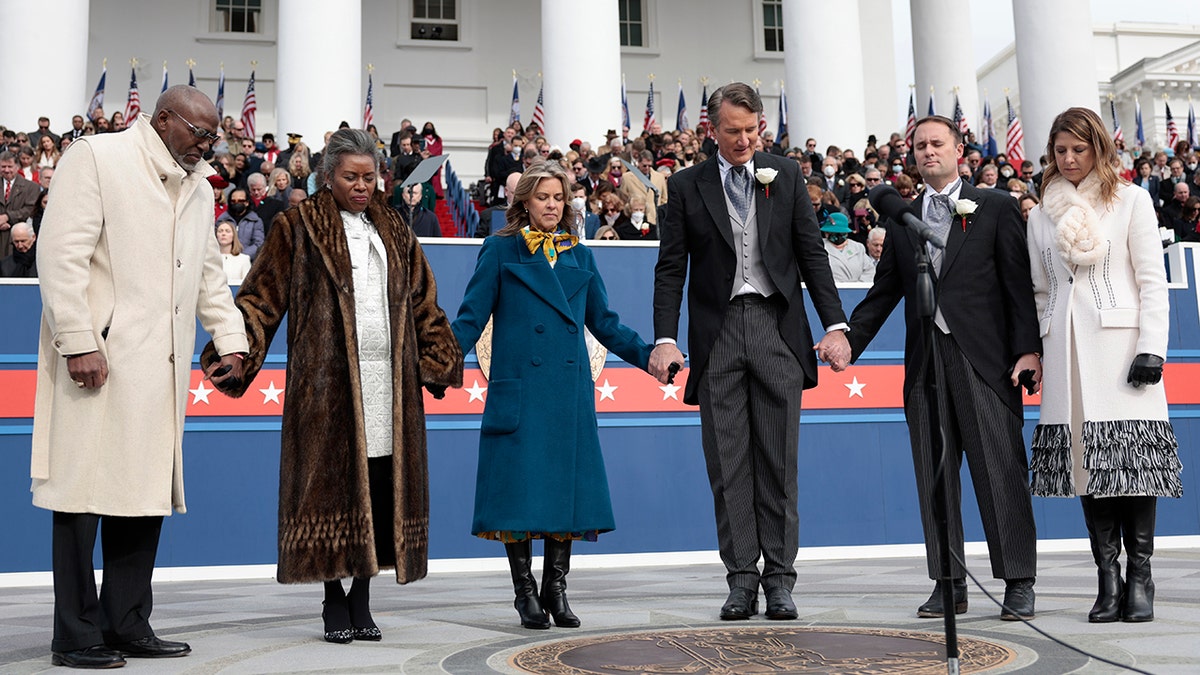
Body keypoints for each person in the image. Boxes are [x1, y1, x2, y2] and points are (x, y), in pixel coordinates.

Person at [203, 128, 462, 644]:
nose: (362, 186)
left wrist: (438, 359)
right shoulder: (295, 225)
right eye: (351, 177)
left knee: (380, 484)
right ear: (328, 176)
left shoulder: (394, 227)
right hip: (324, 386)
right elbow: (261, 298)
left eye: (370, 177)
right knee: (329, 491)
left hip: (387, 385)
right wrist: (234, 350)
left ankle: (362, 599)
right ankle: (331, 600)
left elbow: (423, 304)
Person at [31, 85, 248, 669]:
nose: (207, 146)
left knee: (142, 494)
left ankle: (127, 622)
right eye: (198, 133)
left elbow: (207, 274)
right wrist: (78, 339)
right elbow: (60, 255)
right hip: (97, 361)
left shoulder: (198, 186)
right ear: (161, 120)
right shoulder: (98, 157)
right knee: (80, 498)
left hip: (161, 367)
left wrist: (229, 338)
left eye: (213, 137)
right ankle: (74, 635)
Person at [650, 83, 850, 622]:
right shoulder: (687, 186)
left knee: (779, 464)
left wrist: (835, 325)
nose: (742, 140)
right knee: (728, 465)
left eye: (751, 130)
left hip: (777, 331)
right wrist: (665, 337)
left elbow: (811, 253)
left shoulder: (784, 176)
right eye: (732, 131)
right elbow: (671, 268)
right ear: (711, 130)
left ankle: (781, 581)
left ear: (762, 125)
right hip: (717, 337)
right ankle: (741, 580)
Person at [845, 115, 1041, 621]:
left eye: (938, 143)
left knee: (999, 472)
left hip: (985, 361)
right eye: (920, 145)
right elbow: (884, 292)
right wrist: (848, 340)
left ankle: (1018, 580)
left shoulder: (995, 208)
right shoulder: (903, 217)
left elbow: (1017, 287)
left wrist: (1027, 350)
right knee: (935, 476)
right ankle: (948, 581)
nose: (929, 151)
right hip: (925, 366)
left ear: (960, 150)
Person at [451, 161, 659, 630]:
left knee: (565, 493)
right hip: (521, 391)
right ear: (524, 200)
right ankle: (525, 591)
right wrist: (437, 361)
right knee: (518, 494)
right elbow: (470, 318)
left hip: (567, 392)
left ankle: (556, 587)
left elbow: (604, 323)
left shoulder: (580, 255)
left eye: (558, 198)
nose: (551, 205)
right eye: (542, 196)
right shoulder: (500, 249)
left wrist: (648, 356)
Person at [1026, 107, 1182, 624]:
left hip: (1122, 351)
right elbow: (1041, 289)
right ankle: (1107, 578)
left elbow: (1151, 280)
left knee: (1132, 467)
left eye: (1079, 149)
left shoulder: (1131, 200)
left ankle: (1141, 576)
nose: (1069, 159)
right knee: (1087, 470)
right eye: (1060, 150)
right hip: (1066, 352)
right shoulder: (1039, 213)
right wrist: (1040, 346)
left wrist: (1152, 347)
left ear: (1099, 150)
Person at [1, 150, 41, 257]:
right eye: (3, 166)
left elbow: (30, 209)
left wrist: (7, 217)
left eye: (10, 166)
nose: (6, 170)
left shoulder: (31, 187)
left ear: (17, 166)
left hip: (19, 243)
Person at [821, 212, 875, 283]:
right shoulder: (819, 247)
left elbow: (869, 270)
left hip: (858, 290)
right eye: (832, 232)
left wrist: (858, 286)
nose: (837, 235)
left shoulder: (858, 247)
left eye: (840, 232)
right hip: (830, 290)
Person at [217, 189, 265, 260]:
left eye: (240, 201)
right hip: (223, 259)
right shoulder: (222, 220)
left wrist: (241, 256)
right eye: (233, 201)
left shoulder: (255, 220)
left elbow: (258, 243)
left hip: (247, 261)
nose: (237, 203)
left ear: (247, 202)